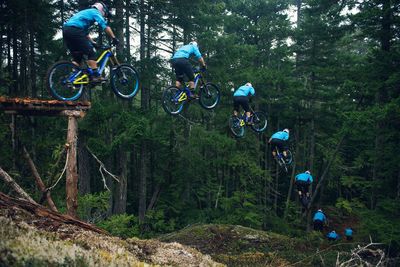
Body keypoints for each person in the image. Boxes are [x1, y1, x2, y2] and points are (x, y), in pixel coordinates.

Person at [63, 2, 119, 82]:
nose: (104, 16)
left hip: (66, 31)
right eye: (105, 14)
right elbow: (105, 26)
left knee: (77, 57)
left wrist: (93, 43)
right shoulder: (95, 12)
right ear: (102, 10)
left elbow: (85, 34)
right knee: (91, 52)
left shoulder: (86, 13)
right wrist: (114, 38)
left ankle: (71, 78)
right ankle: (96, 76)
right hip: (75, 30)